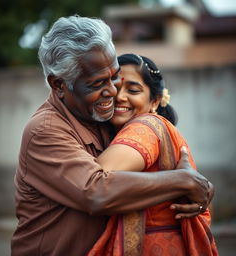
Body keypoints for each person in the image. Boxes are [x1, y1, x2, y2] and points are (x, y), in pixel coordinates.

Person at [11, 16, 214, 256]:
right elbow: (97, 193)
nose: (113, 91)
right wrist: (183, 181)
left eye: (114, 75)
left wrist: (196, 188)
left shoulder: (104, 116)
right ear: (58, 85)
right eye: (97, 83)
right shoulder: (45, 130)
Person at [87, 54, 218, 256]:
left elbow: (92, 183)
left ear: (155, 101)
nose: (120, 96)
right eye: (114, 87)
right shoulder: (157, 130)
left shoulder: (145, 126)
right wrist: (181, 181)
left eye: (133, 90)